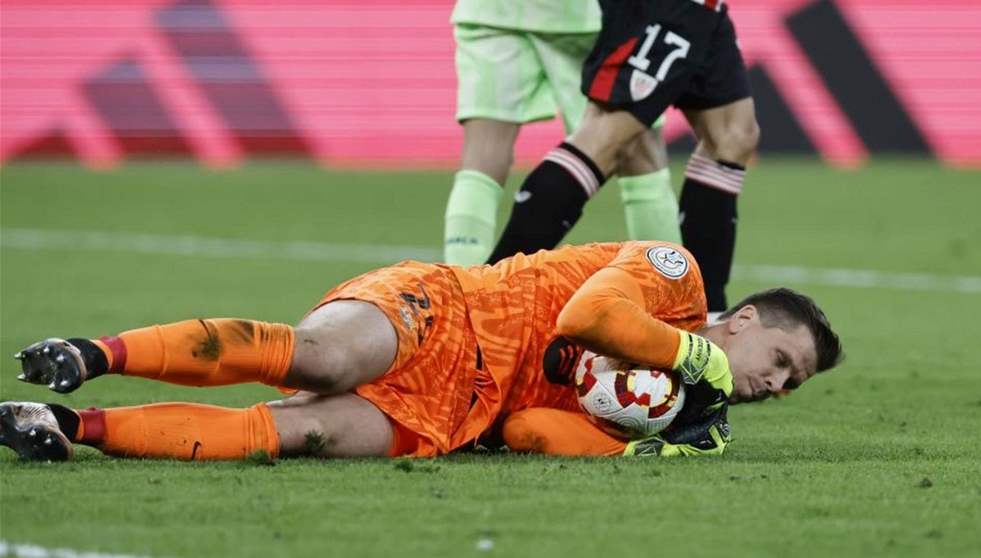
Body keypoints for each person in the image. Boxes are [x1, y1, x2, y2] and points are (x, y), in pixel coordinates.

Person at [0, 242, 841, 462]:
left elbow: (531, 433)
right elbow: (588, 314)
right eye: (781, 360)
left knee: (305, 432)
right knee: (323, 359)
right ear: (743, 319)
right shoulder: (676, 278)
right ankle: (92, 351)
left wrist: (644, 449)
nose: (774, 384)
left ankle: (69, 424)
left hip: (458, 410)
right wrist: (699, 362)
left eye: (789, 385)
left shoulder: (671, 409)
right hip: (448, 309)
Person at [488, 0, 760, 314]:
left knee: (734, 135)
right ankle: (483, 295)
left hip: (705, 9)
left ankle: (704, 313)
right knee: (606, 135)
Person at [443, 0, 682, 267]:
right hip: (589, 16)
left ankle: (459, 284)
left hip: (492, 12)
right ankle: (672, 284)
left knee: (482, 154)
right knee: (641, 154)